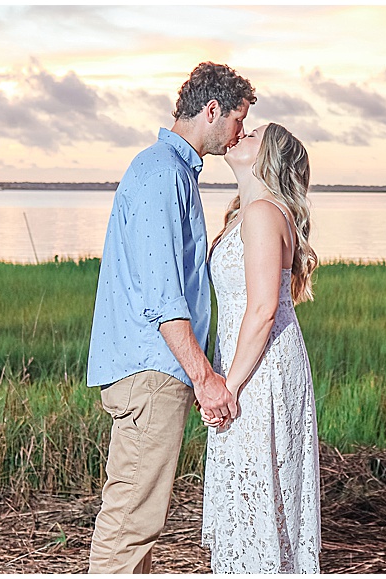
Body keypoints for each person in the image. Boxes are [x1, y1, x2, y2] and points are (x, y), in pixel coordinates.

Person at [86, 62, 255, 574]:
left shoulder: (168, 169)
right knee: (130, 525)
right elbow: (164, 296)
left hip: (149, 371)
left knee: (136, 522)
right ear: (211, 110)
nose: (240, 133)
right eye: (238, 119)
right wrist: (205, 379)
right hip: (152, 373)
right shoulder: (162, 172)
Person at [200, 123, 321, 573]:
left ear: (268, 157)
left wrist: (227, 386)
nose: (239, 135)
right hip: (250, 358)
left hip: (261, 366)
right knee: (248, 489)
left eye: (253, 136)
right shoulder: (246, 212)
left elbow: (264, 308)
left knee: (259, 488)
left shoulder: (265, 213)